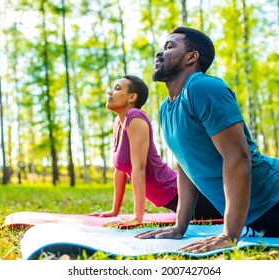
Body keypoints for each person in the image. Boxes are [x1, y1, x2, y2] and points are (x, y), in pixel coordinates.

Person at [135, 27, 279, 253]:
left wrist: (229, 235)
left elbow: (238, 157)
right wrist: (180, 226)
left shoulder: (202, 87)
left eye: (170, 46)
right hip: (261, 218)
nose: (159, 53)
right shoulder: (166, 109)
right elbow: (186, 166)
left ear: (191, 57)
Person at [90, 75, 222, 226]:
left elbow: (139, 168)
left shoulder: (135, 117)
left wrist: (137, 217)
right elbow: (120, 169)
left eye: (117, 88)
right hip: (174, 197)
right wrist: (115, 210)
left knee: (232, 214)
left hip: (183, 193)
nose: (109, 92)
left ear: (132, 97)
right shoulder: (118, 123)